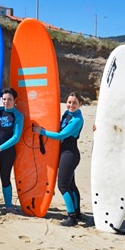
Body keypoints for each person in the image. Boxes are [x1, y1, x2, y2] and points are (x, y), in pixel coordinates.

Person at [34, 92, 84, 226]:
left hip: (70, 154)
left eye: (74, 103)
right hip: (65, 154)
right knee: (71, 185)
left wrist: (41, 132)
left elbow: (61, 135)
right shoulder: (67, 114)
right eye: (69, 102)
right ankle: (77, 212)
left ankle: (72, 217)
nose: (71, 105)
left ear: (80, 104)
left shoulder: (77, 119)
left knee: (63, 186)